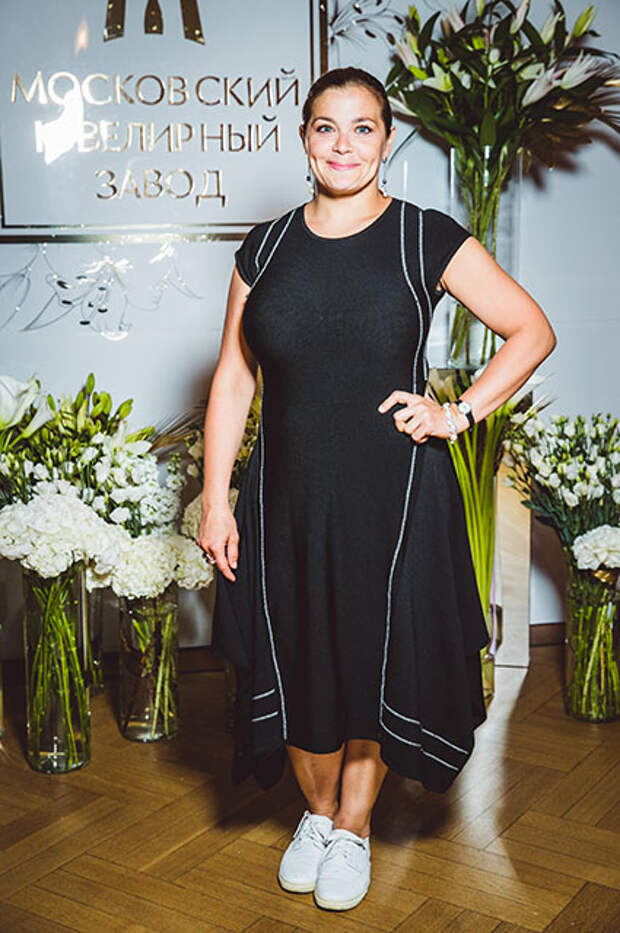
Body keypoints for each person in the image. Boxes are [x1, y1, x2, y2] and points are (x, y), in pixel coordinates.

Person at [197, 66, 556, 912]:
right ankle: (317, 813)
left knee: (370, 652)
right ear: (304, 140)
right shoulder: (265, 248)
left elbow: (530, 330)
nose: (345, 144)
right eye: (327, 127)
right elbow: (233, 378)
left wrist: (456, 413)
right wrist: (216, 497)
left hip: (393, 497)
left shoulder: (423, 236)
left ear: (387, 141)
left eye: (364, 128)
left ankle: (353, 825)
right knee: (296, 651)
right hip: (284, 496)